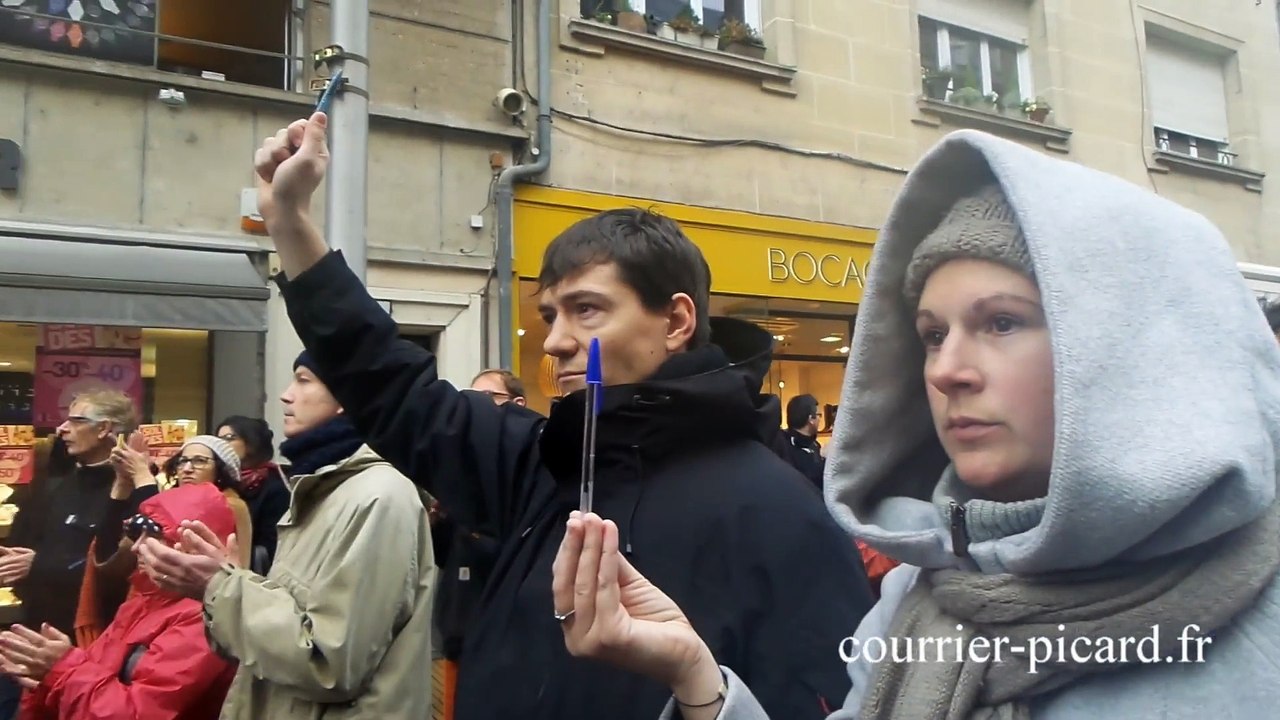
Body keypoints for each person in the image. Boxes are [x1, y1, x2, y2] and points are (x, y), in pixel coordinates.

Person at [552, 129, 1280, 719]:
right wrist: (695, 675)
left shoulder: (1258, 616)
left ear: (1128, 346)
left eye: (1001, 322)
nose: (947, 369)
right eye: (933, 334)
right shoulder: (922, 593)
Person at [249, 111, 874, 719]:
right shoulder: (540, 463)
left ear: (677, 321)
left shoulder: (784, 514)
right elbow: (389, 383)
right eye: (551, 315)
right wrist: (290, 223)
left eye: (588, 310)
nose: (554, 341)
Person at [135, 352, 436, 719]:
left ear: (345, 397)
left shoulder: (378, 496)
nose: (286, 394)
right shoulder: (322, 487)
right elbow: (293, 615)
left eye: (304, 379)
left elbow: (329, 663)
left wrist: (220, 588)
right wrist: (232, 579)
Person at [3, 482, 240, 720]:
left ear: (194, 546)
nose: (137, 547)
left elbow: (139, 713)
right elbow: (97, 674)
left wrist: (61, 669)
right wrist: (44, 679)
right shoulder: (144, 600)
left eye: (155, 535)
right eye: (137, 534)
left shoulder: (204, 620)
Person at [3, 391, 136, 640]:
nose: (62, 428)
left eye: (76, 421)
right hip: (35, 629)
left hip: (98, 639)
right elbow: (20, 546)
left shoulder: (133, 493)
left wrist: (43, 566)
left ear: (103, 429)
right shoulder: (52, 487)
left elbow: (121, 572)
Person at [214, 416, 290, 572]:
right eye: (218, 439)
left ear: (251, 442)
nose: (221, 445)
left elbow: (275, 541)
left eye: (230, 438)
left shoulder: (275, 483)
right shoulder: (219, 480)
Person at [781, 394, 825, 490]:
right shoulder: (784, 447)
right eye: (819, 415)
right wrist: (826, 461)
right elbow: (808, 481)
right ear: (811, 419)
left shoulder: (815, 445)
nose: (820, 419)